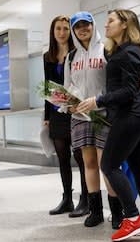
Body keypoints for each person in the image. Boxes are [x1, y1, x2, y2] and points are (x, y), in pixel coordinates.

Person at [78, 9, 140, 241]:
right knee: (139, 167)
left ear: (125, 24)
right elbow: (132, 84)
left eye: (111, 21)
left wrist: (98, 100)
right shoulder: (121, 51)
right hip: (136, 115)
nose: (106, 25)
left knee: (109, 165)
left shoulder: (129, 52)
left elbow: (128, 90)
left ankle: (133, 219)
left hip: (131, 116)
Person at [63, 11, 121, 228]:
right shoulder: (71, 57)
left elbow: (116, 81)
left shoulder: (106, 49)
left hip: (104, 114)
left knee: (106, 164)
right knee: (88, 163)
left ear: (93, 25)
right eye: (78, 26)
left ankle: (116, 212)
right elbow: (68, 86)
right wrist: (67, 104)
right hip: (80, 116)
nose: (83, 29)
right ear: (74, 30)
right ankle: (95, 210)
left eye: (86, 24)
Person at [43, 15, 89, 217]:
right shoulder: (48, 56)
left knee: (81, 157)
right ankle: (67, 199)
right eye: (58, 29)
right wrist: (46, 116)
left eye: (65, 29)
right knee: (63, 158)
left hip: (76, 111)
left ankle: (87, 199)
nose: (62, 33)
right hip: (56, 113)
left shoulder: (77, 53)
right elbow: (47, 87)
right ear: (53, 33)